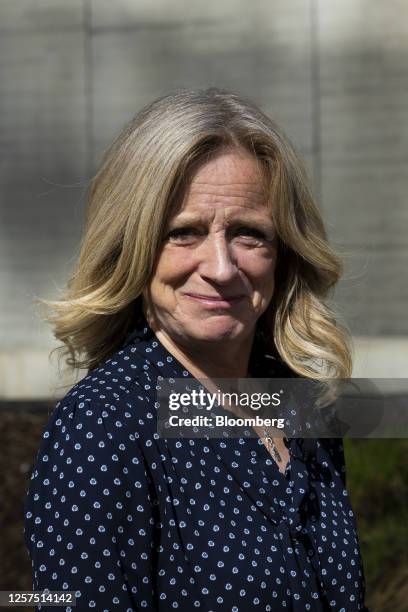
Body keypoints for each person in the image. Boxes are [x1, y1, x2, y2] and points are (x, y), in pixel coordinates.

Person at [24, 88, 369, 611]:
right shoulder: (101, 427)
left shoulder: (297, 404)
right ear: (132, 246)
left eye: (249, 233)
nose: (222, 267)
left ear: (284, 251)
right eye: (183, 233)